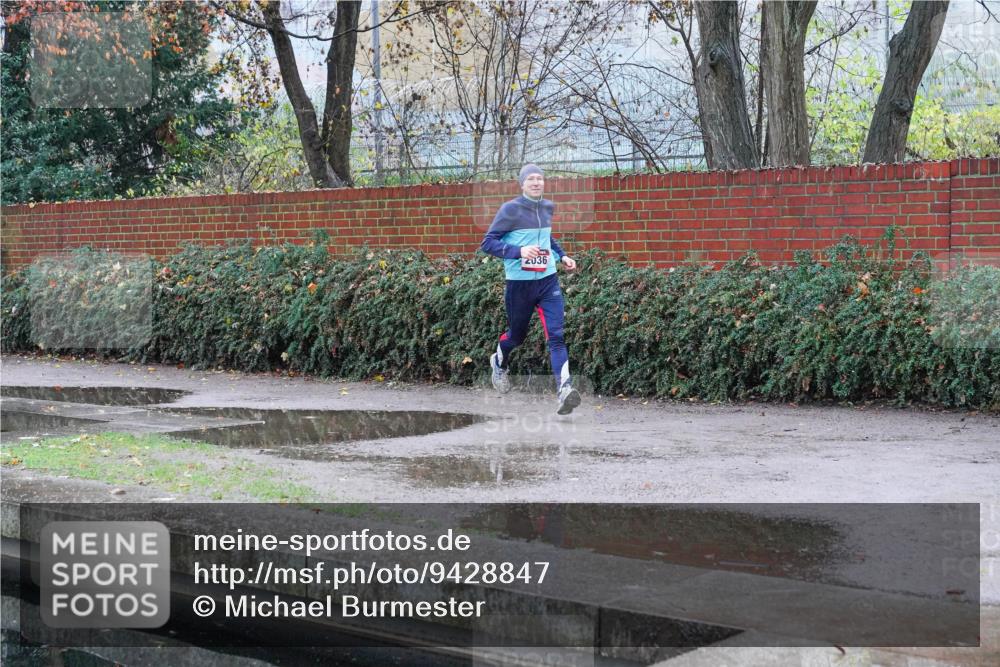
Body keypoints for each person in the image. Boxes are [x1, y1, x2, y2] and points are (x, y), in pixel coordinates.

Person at [480, 163, 582, 415]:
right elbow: (488, 243)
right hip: (520, 285)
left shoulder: (547, 207)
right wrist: (518, 252)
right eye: (531, 179)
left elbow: (547, 238)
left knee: (556, 336)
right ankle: (499, 361)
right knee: (517, 336)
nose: (537, 183)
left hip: (548, 281)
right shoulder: (510, 210)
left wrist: (562, 256)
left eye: (540, 179)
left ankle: (564, 390)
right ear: (522, 184)